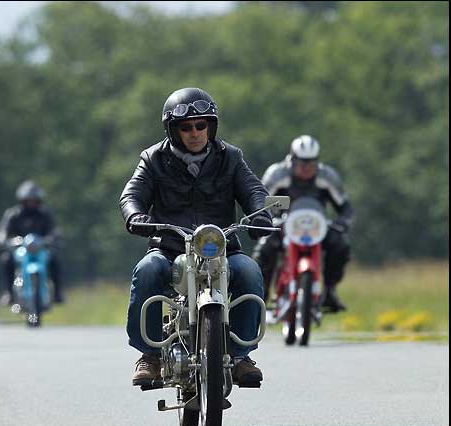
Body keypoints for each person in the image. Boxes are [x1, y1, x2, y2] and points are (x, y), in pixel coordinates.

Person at [119, 87, 272, 389]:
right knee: (147, 270)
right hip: (169, 247)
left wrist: (261, 214)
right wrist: (136, 216)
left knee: (250, 271)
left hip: (221, 248)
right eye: (186, 127)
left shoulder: (231, 157)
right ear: (173, 129)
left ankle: (241, 356)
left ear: (211, 126)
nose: (195, 133)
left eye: (201, 125)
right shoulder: (153, 159)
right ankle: (149, 355)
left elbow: (254, 191)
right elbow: (132, 194)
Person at [252, 135, 353, 312]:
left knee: (341, 245)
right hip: (283, 225)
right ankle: (261, 294)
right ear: (292, 159)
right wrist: (266, 220)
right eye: (302, 162)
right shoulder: (278, 174)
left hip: (317, 227)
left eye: (311, 162)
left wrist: (342, 223)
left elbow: (344, 207)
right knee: (264, 248)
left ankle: (329, 291)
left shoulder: (327, 176)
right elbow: (262, 203)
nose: (306, 167)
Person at [0, 181, 64, 305]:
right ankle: (9, 292)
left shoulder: (45, 214)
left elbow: (54, 231)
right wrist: (4, 240)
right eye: (28, 200)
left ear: (39, 200)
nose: (31, 203)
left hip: (41, 249)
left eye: (34, 200)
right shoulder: (13, 214)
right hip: (20, 249)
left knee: (55, 260)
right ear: (22, 200)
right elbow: (3, 232)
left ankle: (57, 293)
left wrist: (52, 238)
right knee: (6, 259)